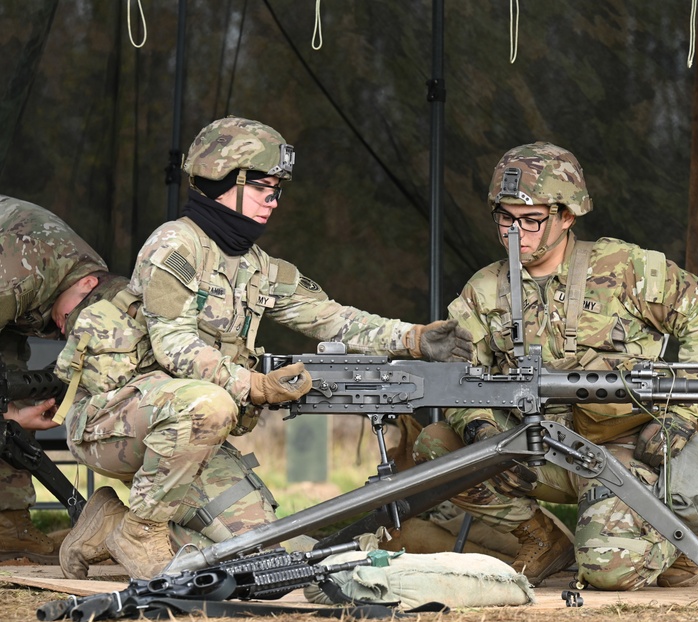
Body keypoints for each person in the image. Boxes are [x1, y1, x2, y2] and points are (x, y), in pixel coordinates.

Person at [56, 116, 474, 580]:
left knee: (265, 550)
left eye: (278, 191)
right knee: (211, 403)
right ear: (221, 180)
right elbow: (173, 344)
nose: (274, 202)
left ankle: (109, 525)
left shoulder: (257, 267)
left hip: (192, 437)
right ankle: (141, 531)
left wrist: (411, 338)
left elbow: (332, 317)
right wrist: (251, 384)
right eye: (263, 188)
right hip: (116, 424)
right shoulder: (174, 246)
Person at [413, 142, 698, 590]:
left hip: (618, 449)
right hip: (533, 447)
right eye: (504, 218)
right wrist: (482, 431)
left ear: (567, 216)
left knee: (609, 570)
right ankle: (542, 539)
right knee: (436, 447)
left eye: (531, 220)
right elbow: (461, 379)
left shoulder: (624, 267)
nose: (514, 233)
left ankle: (671, 541)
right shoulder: (484, 290)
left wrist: (679, 416)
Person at [0, 196, 109, 563]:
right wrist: (8, 417)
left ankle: (8, 526)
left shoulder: (92, 284)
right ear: (87, 284)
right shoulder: (20, 276)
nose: (69, 334)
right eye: (75, 324)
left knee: (10, 378)